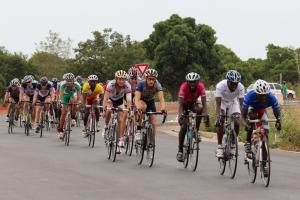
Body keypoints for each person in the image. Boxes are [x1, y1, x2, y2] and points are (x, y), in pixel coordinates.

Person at [241, 79, 281, 177]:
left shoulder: (271, 97)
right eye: (261, 95)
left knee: (265, 134)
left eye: (265, 95)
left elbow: (277, 113)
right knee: (252, 117)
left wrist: (279, 121)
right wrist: (246, 123)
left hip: (262, 110)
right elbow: (243, 115)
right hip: (251, 109)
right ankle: (248, 142)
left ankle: (264, 164)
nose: (263, 97)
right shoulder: (250, 96)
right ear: (256, 93)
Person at [176, 72, 208, 162]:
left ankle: (195, 132)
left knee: (200, 108)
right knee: (184, 127)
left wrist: (206, 114)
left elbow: (204, 103)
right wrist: (180, 115)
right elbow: (180, 104)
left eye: (194, 82)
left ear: (198, 82)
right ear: (187, 82)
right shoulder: (183, 87)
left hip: (193, 103)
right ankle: (180, 151)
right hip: (184, 105)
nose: (192, 84)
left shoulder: (201, 86)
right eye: (190, 82)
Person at [215, 70, 244, 158]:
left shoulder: (241, 87)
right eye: (232, 83)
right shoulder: (220, 86)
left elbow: (242, 104)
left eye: (236, 84)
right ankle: (219, 146)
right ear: (228, 81)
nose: (234, 86)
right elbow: (218, 104)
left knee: (237, 120)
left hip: (233, 102)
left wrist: (242, 116)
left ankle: (233, 144)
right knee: (221, 119)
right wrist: (218, 116)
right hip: (222, 102)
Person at [135, 68, 167, 146]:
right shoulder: (141, 84)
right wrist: (138, 107)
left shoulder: (157, 85)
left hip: (150, 101)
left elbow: (161, 98)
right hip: (141, 100)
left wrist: (163, 108)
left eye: (153, 79)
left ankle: (152, 141)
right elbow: (136, 98)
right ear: (146, 78)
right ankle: (138, 129)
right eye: (149, 79)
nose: (151, 81)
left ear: (155, 79)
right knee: (143, 107)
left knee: (153, 121)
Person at [102, 70, 132, 152]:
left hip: (119, 101)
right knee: (108, 111)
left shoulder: (127, 85)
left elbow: (129, 100)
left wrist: (128, 109)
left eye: (123, 79)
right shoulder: (111, 84)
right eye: (119, 79)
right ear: (116, 79)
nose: (121, 81)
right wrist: (104, 109)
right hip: (110, 100)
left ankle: (121, 139)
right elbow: (105, 98)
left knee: (121, 120)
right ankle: (106, 126)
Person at [57, 73, 82, 139]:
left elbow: (79, 96)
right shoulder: (63, 84)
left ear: (73, 80)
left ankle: (73, 118)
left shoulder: (77, 85)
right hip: (64, 97)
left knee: (74, 101)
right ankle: (61, 130)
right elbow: (61, 95)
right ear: (65, 80)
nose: (69, 82)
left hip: (72, 95)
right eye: (68, 80)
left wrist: (79, 101)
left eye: (71, 80)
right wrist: (60, 101)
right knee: (63, 113)